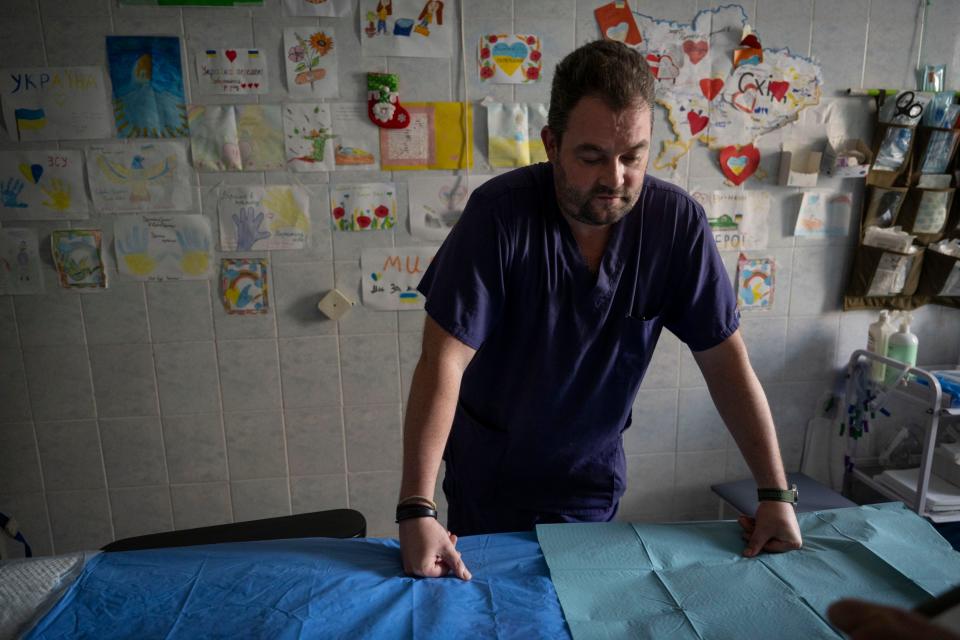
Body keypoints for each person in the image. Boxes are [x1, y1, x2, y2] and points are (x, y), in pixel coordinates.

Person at [397, 40, 802, 580]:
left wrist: (775, 492)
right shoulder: (500, 216)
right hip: (489, 476)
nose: (614, 177)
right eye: (591, 157)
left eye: (633, 156)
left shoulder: (675, 225)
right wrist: (416, 508)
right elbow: (442, 360)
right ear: (551, 144)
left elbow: (726, 363)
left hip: (589, 479)